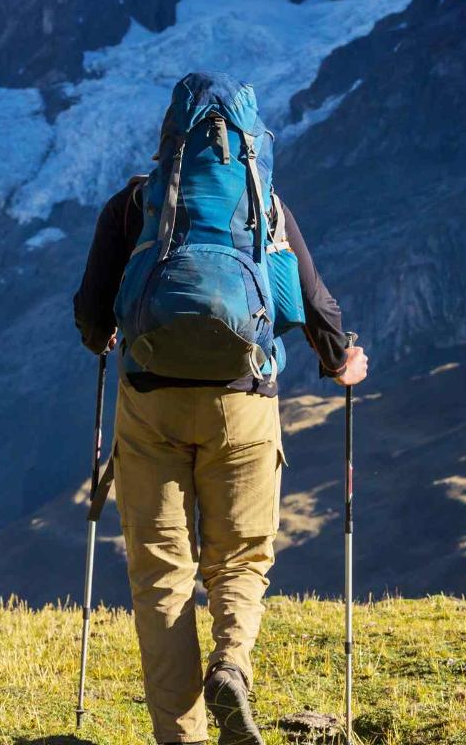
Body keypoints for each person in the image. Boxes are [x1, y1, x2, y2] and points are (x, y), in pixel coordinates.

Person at [73, 74, 369, 745]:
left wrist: (106, 336)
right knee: (238, 557)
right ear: (248, 142)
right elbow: (312, 306)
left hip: (149, 403)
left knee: (160, 574)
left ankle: (181, 740)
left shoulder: (133, 204)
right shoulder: (264, 205)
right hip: (242, 404)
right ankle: (230, 663)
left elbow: (91, 316)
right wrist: (341, 361)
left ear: (169, 139)